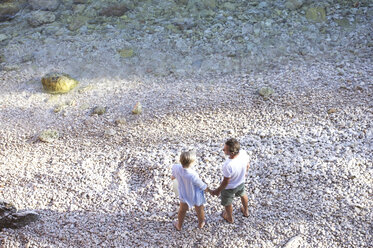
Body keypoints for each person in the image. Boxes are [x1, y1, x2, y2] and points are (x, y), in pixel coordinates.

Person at [211, 138, 250, 223]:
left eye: (225, 149)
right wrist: (244, 174)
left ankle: (229, 218)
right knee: (243, 194)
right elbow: (247, 165)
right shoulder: (243, 153)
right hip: (241, 182)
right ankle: (246, 211)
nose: (223, 150)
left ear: (231, 153)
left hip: (230, 188)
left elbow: (226, 182)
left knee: (228, 202)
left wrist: (218, 190)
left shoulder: (228, 165)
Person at [171, 150, 210, 230]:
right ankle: (201, 222)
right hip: (195, 195)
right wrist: (210, 190)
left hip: (184, 194)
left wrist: (174, 178)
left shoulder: (176, 167)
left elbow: (173, 176)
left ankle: (179, 225)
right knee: (199, 209)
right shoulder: (192, 175)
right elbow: (201, 185)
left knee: (182, 210)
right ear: (192, 163)